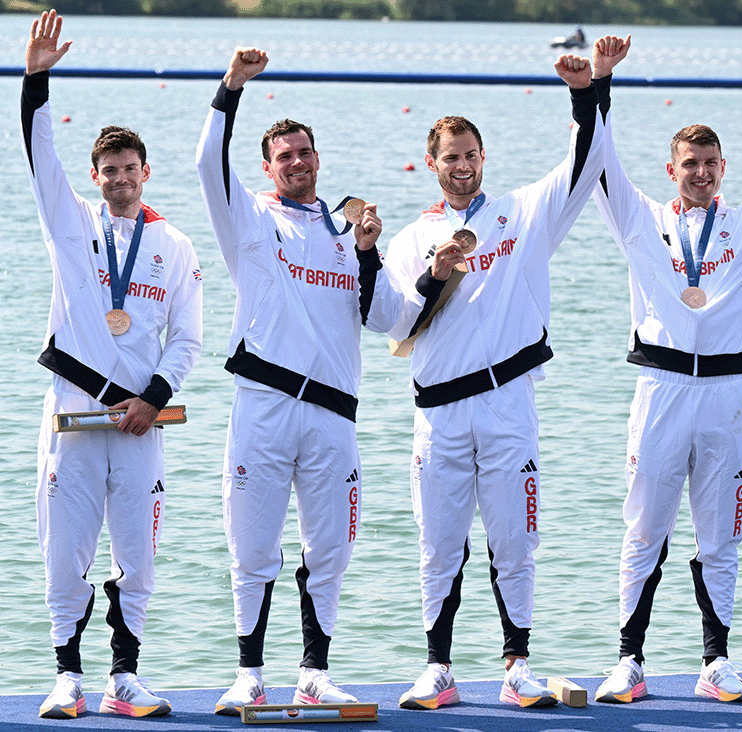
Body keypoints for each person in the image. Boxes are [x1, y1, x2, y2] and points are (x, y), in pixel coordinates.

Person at [589, 35, 742, 703]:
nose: (700, 173)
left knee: (721, 531)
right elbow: (599, 162)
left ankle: (714, 661)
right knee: (643, 528)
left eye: (710, 163)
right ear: (670, 171)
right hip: (661, 388)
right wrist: (600, 82)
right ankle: (628, 661)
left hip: (726, 392)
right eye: (689, 164)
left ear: (723, 167)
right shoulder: (640, 222)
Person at [384, 52, 605, 710]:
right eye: (450, 156)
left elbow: (585, 162)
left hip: (510, 403)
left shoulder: (522, 213)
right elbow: (390, 323)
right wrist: (434, 273)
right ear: (433, 164)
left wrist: (582, 95)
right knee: (437, 545)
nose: (462, 165)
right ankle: (438, 670)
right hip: (440, 412)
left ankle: (516, 666)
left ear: (484, 157)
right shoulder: (411, 237)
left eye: (470, 153)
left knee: (514, 539)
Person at [196, 47, 403, 715]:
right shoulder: (250, 222)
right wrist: (231, 88)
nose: (296, 162)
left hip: (334, 417)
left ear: (318, 158)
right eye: (284, 155)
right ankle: (249, 673)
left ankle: (313, 673)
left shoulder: (349, 230)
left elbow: (388, 318)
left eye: (304, 152)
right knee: (253, 549)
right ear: (268, 166)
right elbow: (205, 164)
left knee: (330, 549)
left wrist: (373, 254)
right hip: (264, 404)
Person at [22, 10, 203, 720]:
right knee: (65, 552)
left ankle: (123, 677)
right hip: (72, 414)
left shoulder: (176, 246)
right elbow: (40, 157)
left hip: (138, 423)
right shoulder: (71, 224)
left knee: (139, 555)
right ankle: (66, 674)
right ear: (95, 177)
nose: (120, 179)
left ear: (145, 173)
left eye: (131, 170)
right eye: (109, 171)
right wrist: (35, 81)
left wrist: (152, 398)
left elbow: (187, 341)